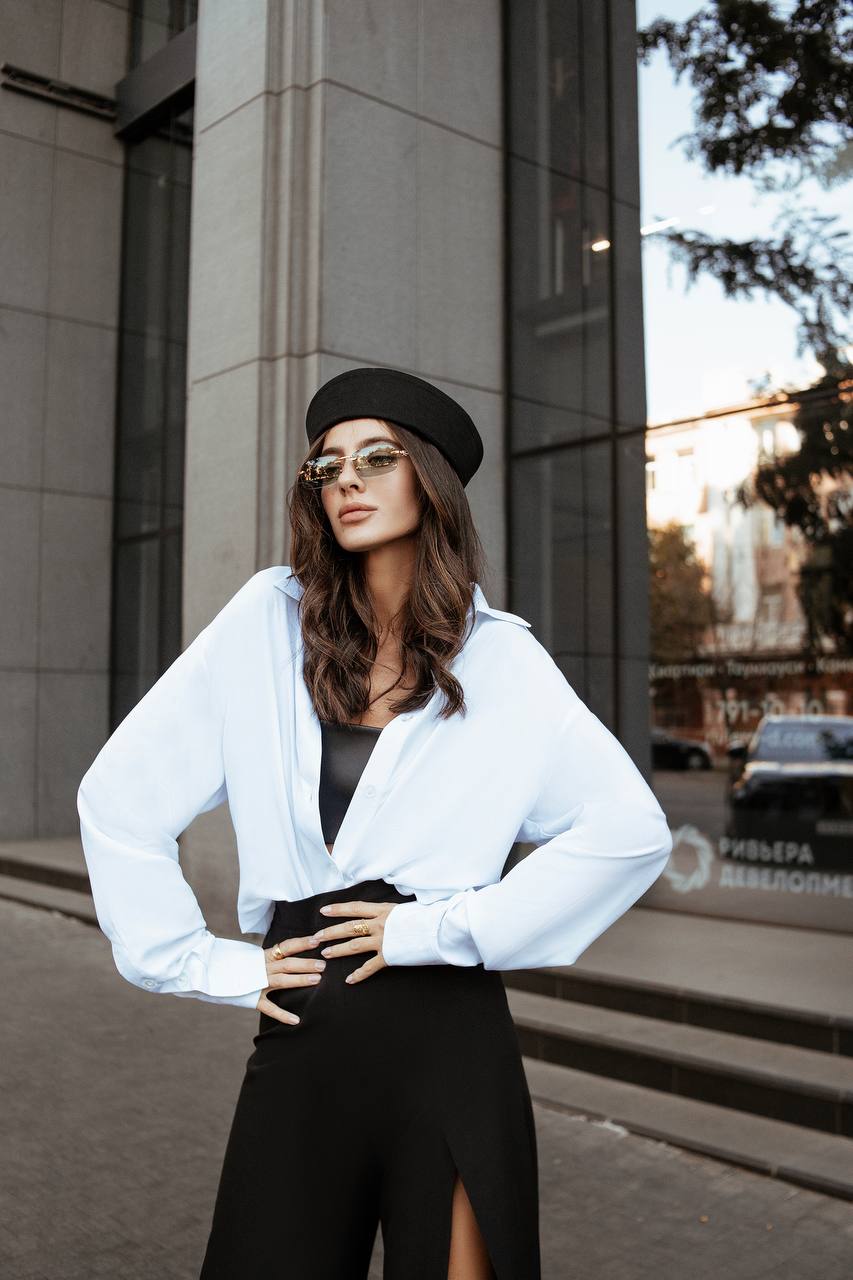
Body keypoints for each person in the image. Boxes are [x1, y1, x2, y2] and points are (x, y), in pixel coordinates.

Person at [77, 366, 674, 1279]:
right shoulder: (265, 624)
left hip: (447, 1033)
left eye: (376, 457)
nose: (346, 479)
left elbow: (628, 832)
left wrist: (441, 927)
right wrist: (205, 964)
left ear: (427, 481)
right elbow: (118, 799)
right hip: (304, 1021)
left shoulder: (503, 659)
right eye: (326, 466)